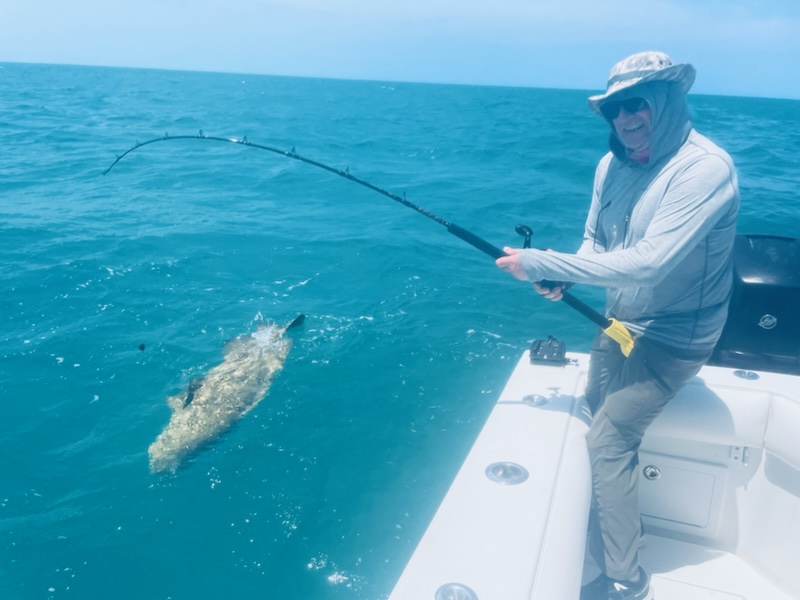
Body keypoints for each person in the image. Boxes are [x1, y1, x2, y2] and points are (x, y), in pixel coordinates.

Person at [496, 51, 739, 600]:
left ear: (669, 101)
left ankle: (626, 578)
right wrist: (569, 278)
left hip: (677, 335)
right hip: (622, 320)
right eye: (614, 109)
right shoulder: (612, 165)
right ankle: (602, 523)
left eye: (637, 104)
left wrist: (543, 263)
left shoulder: (704, 168)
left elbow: (652, 261)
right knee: (591, 409)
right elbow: (597, 243)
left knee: (608, 440)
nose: (625, 118)